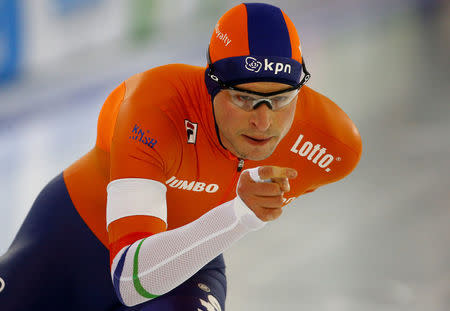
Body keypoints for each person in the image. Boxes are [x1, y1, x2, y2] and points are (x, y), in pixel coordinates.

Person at [0, 3, 362, 311]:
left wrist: (237, 211)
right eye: (243, 98)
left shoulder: (333, 145)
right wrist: (239, 212)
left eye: (281, 99)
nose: (263, 121)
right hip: (68, 240)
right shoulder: (153, 105)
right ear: (211, 85)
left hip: (183, 262)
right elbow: (130, 278)